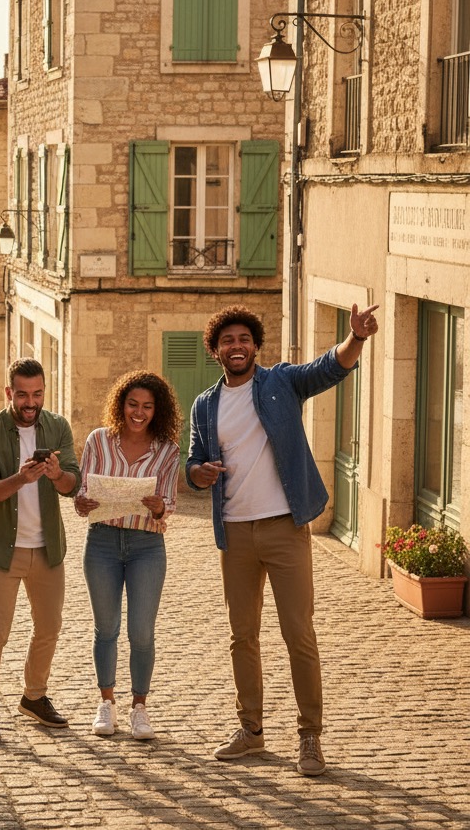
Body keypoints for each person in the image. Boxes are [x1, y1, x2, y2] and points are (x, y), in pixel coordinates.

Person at [187, 303, 379, 777]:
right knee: (242, 637)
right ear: (215, 350)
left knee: (299, 634)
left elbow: (328, 368)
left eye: (243, 339)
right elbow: (192, 464)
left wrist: (354, 338)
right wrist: (200, 472)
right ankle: (251, 731)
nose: (236, 346)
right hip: (234, 532)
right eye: (227, 340)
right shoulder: (205, 405)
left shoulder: (281, 383)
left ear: (255, 345)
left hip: (284, 528)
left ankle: (310, 736)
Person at [0, 357, 81, 741]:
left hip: (48, 549)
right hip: (2, 549)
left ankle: (34, 696)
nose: (30, 402)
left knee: (49, 628)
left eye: (36, 394)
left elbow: (72, 485)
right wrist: (21, 477)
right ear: (9, 393)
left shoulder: (58, 427)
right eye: (22, 395)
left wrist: (55, 474)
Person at [74, 371, 181, 740]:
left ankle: (140, 708)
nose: (139, 412)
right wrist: (82, 502)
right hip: (101, 542)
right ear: (121, 405)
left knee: (141, 632)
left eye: (147, 407)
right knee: (106, 629)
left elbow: (169, 507)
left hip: (147, 546)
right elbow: (84, 496)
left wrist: (156, 506)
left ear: (158, 411)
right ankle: (106, 703)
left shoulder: (167, 450)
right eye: (133, 404)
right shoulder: (98, 441)